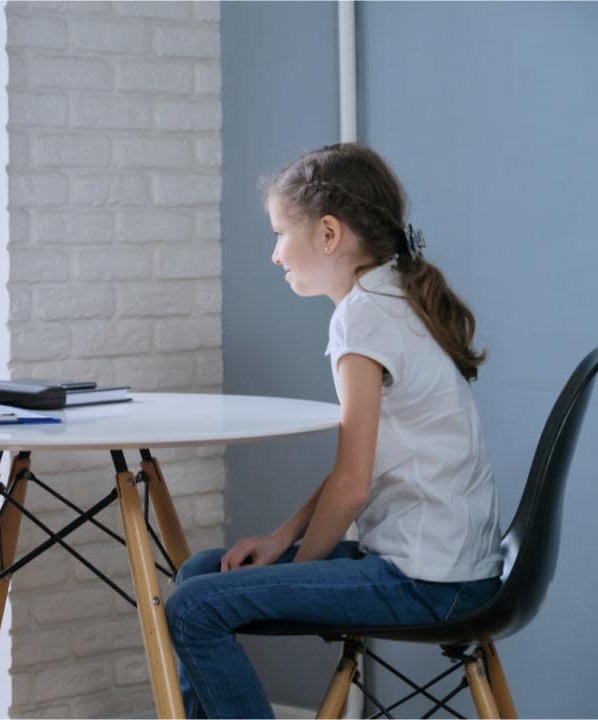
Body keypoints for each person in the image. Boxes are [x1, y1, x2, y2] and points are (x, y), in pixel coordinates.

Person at [164, 143, 503, 719]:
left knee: (195, 608)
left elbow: (351, 487)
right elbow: (357, 467)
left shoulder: (361, 318)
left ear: (328, 234)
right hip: (451, 567)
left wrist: (295, 578)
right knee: (198, 574)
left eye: (279, 234)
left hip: (427, 582)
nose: (274, 255)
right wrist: (280, 539)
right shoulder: (392, 294)